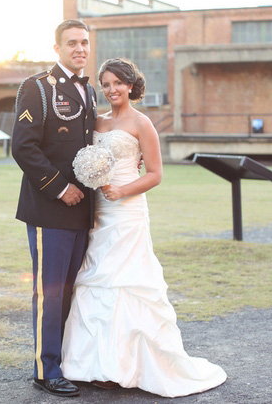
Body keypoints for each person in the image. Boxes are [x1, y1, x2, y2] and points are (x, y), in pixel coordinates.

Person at [60, 58, 227, 397]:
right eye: (106, 84)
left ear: (131, 85)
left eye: (118, 83)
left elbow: (155, 174)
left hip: (128, 210)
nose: (111, 89)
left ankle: (122, 365)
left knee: (124, 280)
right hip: (99, 210)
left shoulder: (142, 123)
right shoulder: (97, 120)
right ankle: (90, 363)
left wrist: (122, 190)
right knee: (96, 277)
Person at [11, 20, 98, 397]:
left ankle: (67, 361)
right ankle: (45, 370)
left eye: (84, 43)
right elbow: (23, 147)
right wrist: (60, 188)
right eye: (72, 43)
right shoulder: (37, 88)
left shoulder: (90, 90)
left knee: (74, 290)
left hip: (83, 210)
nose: (79, 49)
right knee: (51, 292)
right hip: (51, 208)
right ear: (57, 48)